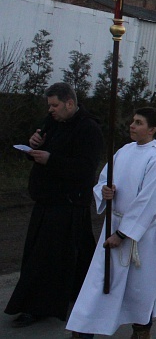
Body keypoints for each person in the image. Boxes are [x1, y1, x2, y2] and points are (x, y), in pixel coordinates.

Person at [67, 107, 156, 339]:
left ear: (152, 129)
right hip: (114, 226)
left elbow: (150, 201)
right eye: (133, 121)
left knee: (140, 289)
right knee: (100, 283)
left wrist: (123, 234)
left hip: (141, 236)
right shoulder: (124, 151)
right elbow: (105, 178)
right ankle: (84, 329)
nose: (132, 126)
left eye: (138, 122)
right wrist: (104, 191)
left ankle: (141, 331)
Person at [5, 82, 103, 328]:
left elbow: (84, 169)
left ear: (70, 103)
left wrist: (50, 159)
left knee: (47, 257)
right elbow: (41, 151)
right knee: (76, 252)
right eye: (49, 105)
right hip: (48, 200)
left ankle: (37, 306)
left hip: (67, 203)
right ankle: (86, 290)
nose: (51, 110)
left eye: (55, 105)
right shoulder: (53, 122)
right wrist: (34, 146)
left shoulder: (88, 129)